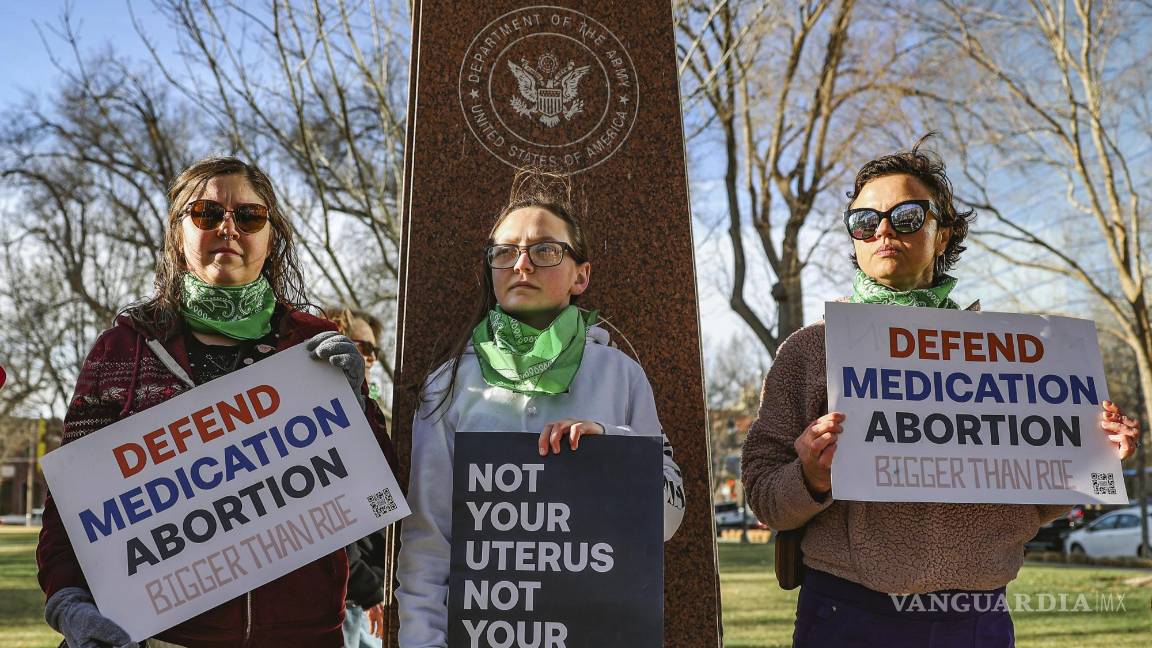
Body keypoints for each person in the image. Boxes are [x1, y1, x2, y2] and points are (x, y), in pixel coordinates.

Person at [741, 137, 1141, 647]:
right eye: (865, 221)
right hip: (846, 610)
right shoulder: (808, 351)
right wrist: (811, 477)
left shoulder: (1016, 355)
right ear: (856, 239)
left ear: (943, 234)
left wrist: (1090, 455)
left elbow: (1036, 502)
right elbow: (763, 495)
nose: (883, 229)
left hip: (977, 616)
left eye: (907, 215)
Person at [36, 157, 396, 648]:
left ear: (271, 237)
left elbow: (381, 489)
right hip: (167, 636)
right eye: (206, 213)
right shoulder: (122, 349)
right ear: (178, 232)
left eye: (249, 217)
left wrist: (360, 406)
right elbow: (71, 506)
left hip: (306, 636)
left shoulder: (313, 343)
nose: (229, 227)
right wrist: (68, 601)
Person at [395, 170, 687, 647]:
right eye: (505, 252)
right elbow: (428, 540)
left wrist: (613, 452)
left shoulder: (621, 375)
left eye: (545, 251)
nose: (522, 265)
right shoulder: (447, 385)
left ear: (581, 275)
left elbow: (669, 521)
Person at [324, 306, 390, 648]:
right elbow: (325, 520)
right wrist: (369, 588)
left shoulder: (374, 418)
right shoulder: (317, 419)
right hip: (340, 604)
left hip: (369, 602)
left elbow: (380, 507)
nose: (369, 358)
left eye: (373, 350)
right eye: (360, 347)